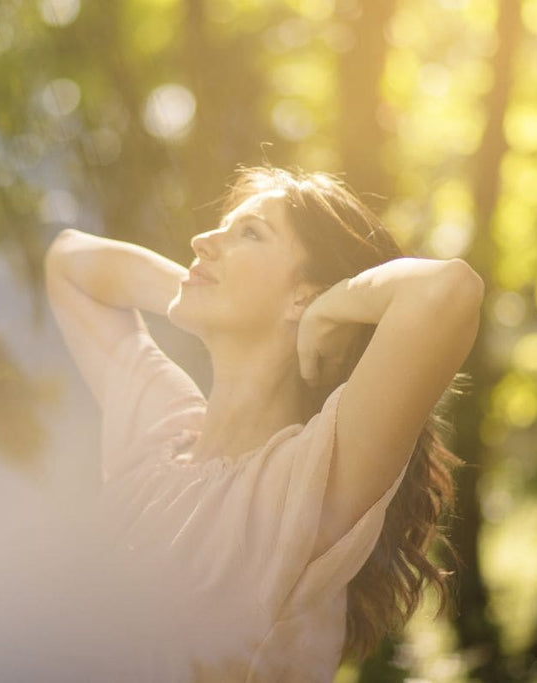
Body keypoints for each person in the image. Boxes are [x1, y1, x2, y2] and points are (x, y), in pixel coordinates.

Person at [43, 164, 483, 681]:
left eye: (249, 233)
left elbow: (448, 290)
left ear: (303, 293)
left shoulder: (306, 485)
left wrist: (328, 306)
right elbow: (66, 261)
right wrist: (199, 284)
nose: (202, 240)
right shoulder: (162, 435)